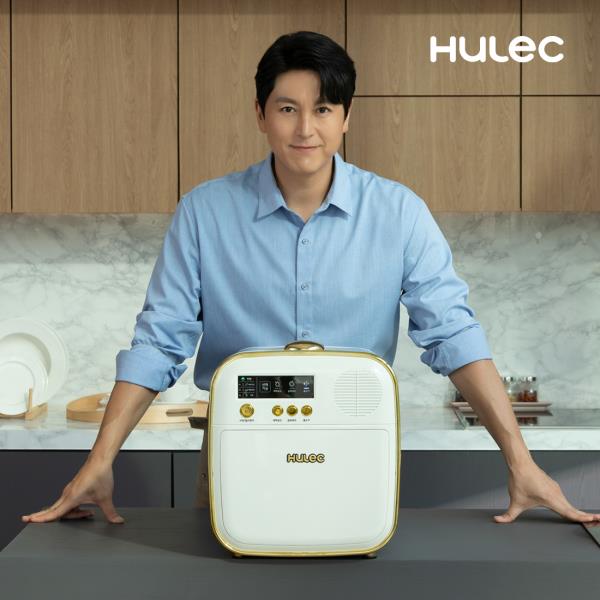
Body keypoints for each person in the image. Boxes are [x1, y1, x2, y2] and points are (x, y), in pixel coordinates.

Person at [22, 31, 599, 526]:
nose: (305, 128)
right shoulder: (204, 213)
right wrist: (100, 460)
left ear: (346, 117)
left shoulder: (399, 212)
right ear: (260, 113)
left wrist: (520, 461)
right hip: (236, 451)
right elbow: (159, 340)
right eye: (287, 108)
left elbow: (452, 333)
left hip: (358, 452)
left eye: (323, 109)